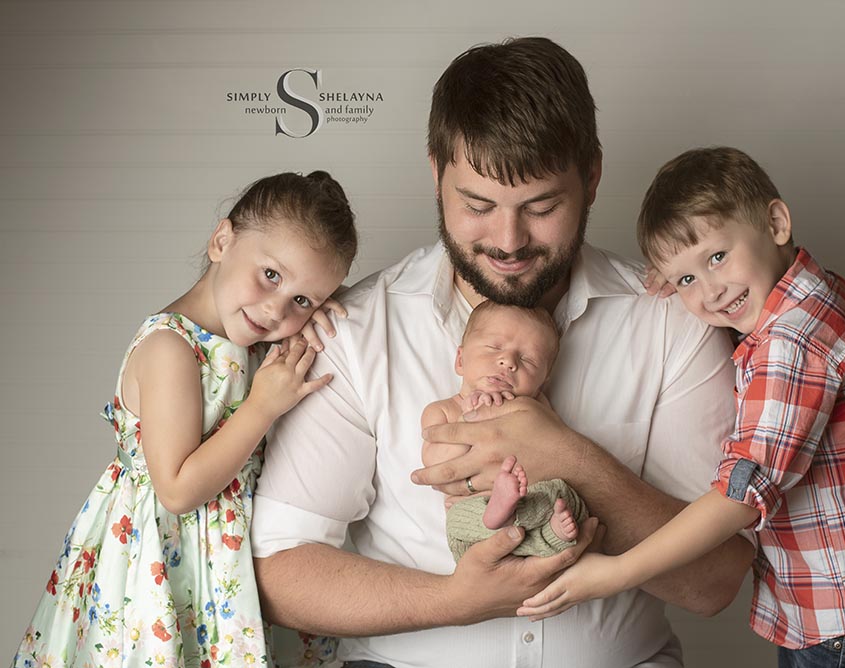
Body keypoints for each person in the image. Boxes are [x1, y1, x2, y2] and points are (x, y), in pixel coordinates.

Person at [251, 38, 753, 668]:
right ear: (436, 174)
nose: (509, 240)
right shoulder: (353, 330)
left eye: (542, 207)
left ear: (592, 178)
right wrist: (454, 601)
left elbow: (714, 583)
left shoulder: (674, 321)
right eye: (478, 206)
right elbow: (279, 570)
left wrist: (571, 461)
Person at [518, 147, 845, 667]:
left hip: (842, 615)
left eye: (717, 257)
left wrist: (618, 572)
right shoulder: (809, 297)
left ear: (777, 223)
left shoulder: (793, 343)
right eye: (687, 280)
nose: (711, 292)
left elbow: (741, 497)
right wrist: (693, 272)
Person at [11, 171, 357, 668]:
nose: (275, 309)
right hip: (161, 568)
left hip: (225, 569)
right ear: (222, 241)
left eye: (302, 300)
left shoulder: (259, 342)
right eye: (271, 275)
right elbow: (176, 489)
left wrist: (321, 317)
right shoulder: (171, 349)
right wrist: (262, 406)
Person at [422, 301, 587, 561]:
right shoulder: (444, 411)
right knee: (460, 518)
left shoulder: (537, 408)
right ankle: (500, 512)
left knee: (563, 495)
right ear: (461, 360)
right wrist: (468, 420)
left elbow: (554, 453)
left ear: (542, 382)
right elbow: (435, 464)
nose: (508, 361)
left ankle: (551, 534)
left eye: (528, 360)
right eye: (494, 348)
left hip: (529, 506)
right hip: (476, 515)